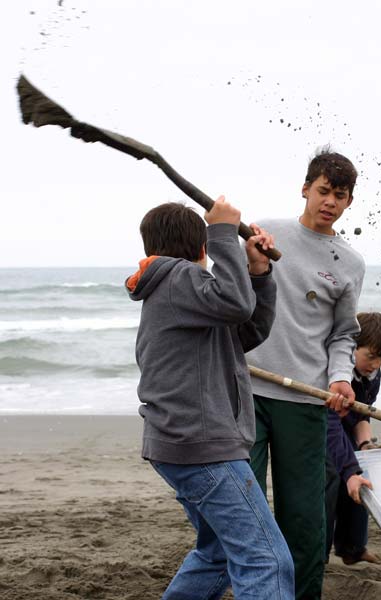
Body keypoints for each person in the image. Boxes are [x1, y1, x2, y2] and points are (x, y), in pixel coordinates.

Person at [126, 200, 294, 599]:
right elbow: (235, 303)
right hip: (202, 448)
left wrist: (258, 272)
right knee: (266, 559)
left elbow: (246, 330)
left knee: (218, 553)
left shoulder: (183, 295)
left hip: (182, 444)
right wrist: (224, 233)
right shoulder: (178, 278)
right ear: (202, 248)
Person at [246, 148, 365, 599]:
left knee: (305, 520)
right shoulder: (264, 233)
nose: (329, 201)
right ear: (305, 189)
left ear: (348, 202)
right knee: (246, 508)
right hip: (249, 390)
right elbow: (231, 297)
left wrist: (340, 379)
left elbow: (343, 334)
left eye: (339, 195)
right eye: (323, 191)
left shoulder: (349, 263)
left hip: (306, 401)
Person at [325, 312, 381, 566]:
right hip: (324, 424)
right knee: (332, 478)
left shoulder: (372, 376)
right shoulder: (331, 372)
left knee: (363, 474)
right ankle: (318, 554)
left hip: (348, 425)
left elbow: (364, 414)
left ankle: (352, 548)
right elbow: (329, 423)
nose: (376, 364)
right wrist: (349, 466)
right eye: (371, 356)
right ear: (351, 347)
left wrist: (366, 446)